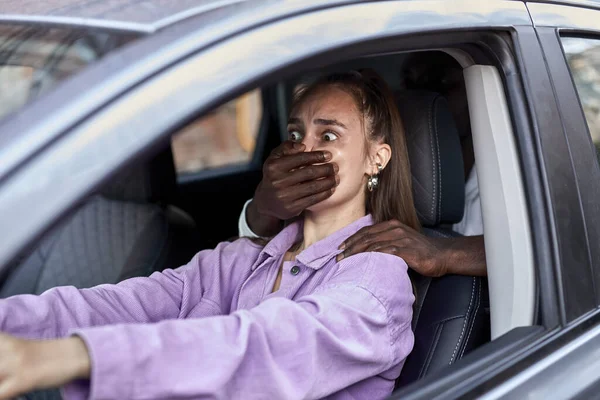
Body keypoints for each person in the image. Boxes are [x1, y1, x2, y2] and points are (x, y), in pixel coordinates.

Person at [0, 71, 417, 400]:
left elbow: (258, 351)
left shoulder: (376, 281)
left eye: (328, 136)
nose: (304, 150)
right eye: (294, 135)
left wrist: (72, 357)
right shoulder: (240, 258)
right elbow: (123, 305)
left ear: (376, 159)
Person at [239, 52, 486, 277]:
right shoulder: (249, 256)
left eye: (441, 83)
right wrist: (264, 209)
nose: (425, 96)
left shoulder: (515, 167)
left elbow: (523, 249)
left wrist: (446, 252)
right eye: (412, 83)